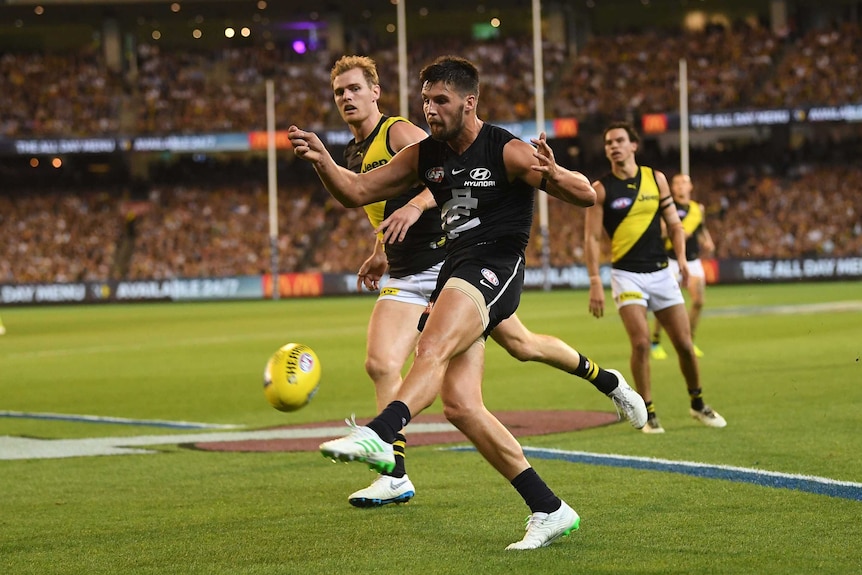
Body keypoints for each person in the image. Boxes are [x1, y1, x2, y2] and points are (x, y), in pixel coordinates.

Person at [290, 56, 633, 550]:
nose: (430, 109)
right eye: (425, 100)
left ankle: (381, 433)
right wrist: (323, 159)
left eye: (440, 101)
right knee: (462, 407)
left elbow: (584, 195)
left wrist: (556, 173)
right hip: (456, 268)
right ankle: (549, 508)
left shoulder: (505, 149)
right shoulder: (426, 155)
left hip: (497, 264)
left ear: (469, 102)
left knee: (431, 347)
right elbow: (359, 191)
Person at [584, 121, 726, 434]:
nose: (614, 146)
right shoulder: (601, 188)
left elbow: (675, 224)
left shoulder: (656, 179)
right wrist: (595, 280)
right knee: (641, 344)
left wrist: (682, 261)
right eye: (609, 143)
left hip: (662, 272)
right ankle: (648, 412)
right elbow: (592, 238)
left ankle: (698, 404)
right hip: (626, 275)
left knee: (686, 346)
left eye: (620, 140)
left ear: (634, 146)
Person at [650, 173, 715, 360]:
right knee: (666, 304)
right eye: (676, 183)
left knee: (699, 301)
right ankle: (656, 341)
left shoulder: (697, 209)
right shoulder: (667, 208)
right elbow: (662, 233)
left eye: (683, 183)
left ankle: (690, 340)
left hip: (693, 261)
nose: (680, 186)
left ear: (690, 187)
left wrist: (707, 241)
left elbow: (701, 228)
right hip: (671, 261)